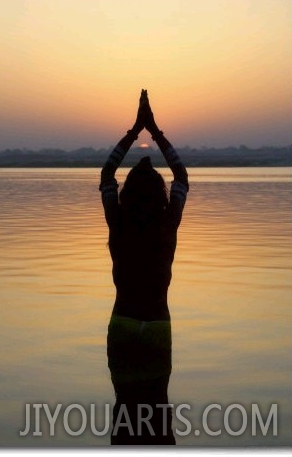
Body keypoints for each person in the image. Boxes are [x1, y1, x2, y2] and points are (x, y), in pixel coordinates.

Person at [99, 90, 189, 445]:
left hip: (123, 323)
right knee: (159, 419)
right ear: (159, 194)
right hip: (156, 325)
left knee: (125, 415)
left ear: (128, 194)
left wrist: (136, 130)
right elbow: (181, 176)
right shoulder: (168, 224)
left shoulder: (117, 222)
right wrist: (156, 130)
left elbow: (107, 172)